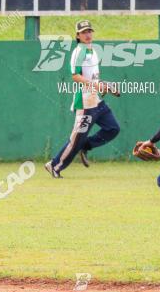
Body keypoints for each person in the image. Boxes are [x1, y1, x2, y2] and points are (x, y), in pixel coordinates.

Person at [45, 20, 120, 178]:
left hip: (96, 101)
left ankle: (85, 145)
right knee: (76, 139)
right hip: (85, 103)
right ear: (77, 35)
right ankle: (54, 165)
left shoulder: (92, 50)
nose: (87, 34)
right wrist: (96, 85)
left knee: (112, 128)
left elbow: (92, 77)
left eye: (89, 31)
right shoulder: (79, 51)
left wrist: (106, 86)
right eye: (84, 32)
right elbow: (75, 76)